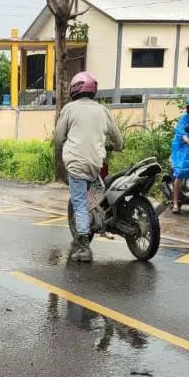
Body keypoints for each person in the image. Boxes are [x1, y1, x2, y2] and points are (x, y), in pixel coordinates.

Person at [54, 71, 124, 263]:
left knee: (79, 203)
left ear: (74, 89)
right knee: (99, 193)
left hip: (76, 164)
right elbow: (118, 139)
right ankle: (103, 221)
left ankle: (84, 246)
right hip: (95, 163)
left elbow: (59, 137)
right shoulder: (102, 110)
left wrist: (65, 142)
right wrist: (119, 147)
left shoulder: (69, 109)